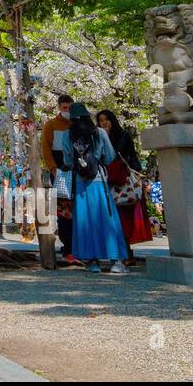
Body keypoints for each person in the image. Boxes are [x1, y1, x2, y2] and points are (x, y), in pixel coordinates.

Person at [57, 103, 129, 273]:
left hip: (80, 182)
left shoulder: (67, 135)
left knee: (84, 221)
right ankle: (116, 260)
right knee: (107, 219)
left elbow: (67, 160)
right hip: (99, 180)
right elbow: (110, 156)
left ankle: (92, 261)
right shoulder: (100, 133)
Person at [98, 108, 152, 258]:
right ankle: (121, 252)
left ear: (112, 120)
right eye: (101, 121)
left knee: (125, 218)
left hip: (124, 182)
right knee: (115, 219)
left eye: (106, 120)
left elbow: (116, 156)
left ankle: (126, 252)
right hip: (111, 181)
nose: (103, 123)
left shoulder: (121, 136)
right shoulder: (101, 137)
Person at [41, 94, 77, 262]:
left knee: (78, 211)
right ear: (59, 107)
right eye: (64, 107)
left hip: (78, 173)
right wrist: (54, 169)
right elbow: (46, 149)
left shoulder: (78, 124)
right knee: (64, 212)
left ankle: (78, 246)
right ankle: (68, 247)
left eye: (69, 107)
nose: (67, 110)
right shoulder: (51, 125)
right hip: (60, 172)